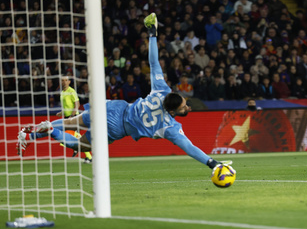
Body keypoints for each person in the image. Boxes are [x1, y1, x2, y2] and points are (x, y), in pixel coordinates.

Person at [16, 13, 231, 172]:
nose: (187, 106)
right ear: (174, 110)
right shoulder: (170, 127)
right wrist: (212, 163)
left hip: (114, 107)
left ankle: (34, 131)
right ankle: (43, 131)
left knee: (72, 124)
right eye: (184, 105)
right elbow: (190, 147)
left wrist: (152, 34)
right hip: (117, 128)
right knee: (78, 144)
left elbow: (153, 61)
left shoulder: (161, 90)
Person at [57, 75, 93, 163]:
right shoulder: (62, 92)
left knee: (72, 136)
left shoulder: (71, 91)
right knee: (69, 137)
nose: (64, 82)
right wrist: (61, 113)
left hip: (73, 117)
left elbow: (77, 104)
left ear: (69, 82)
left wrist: (72, 116)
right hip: (67, 117)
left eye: (66, 80)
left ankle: (89, 157)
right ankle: (80, 151)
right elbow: (66, 106)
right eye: (63, 80)